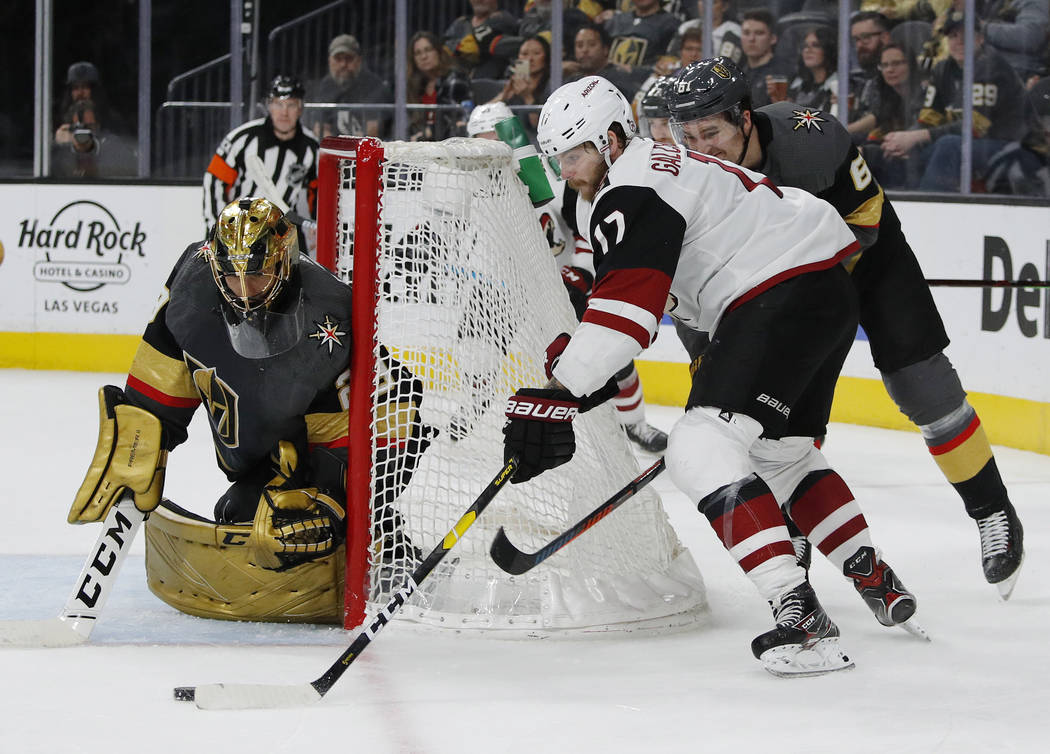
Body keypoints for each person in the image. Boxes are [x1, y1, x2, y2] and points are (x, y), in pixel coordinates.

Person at [505, 75, 921, 676]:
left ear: (611, 138)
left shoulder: (631, 187)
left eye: (575, 154)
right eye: (559, 159)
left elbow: (625, 317)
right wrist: (573, 373)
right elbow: (622, 309)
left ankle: (802, 621)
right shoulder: (656, 169)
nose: (567, 171)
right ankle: (873, 576)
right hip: (823, 287)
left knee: (699, 447)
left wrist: (557, 392)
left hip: (776, 290)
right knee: (783, 456)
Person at [665, 56, 1024, 598]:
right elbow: (688, 284)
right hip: (769, 293)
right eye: (687, 135)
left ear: (744, 119)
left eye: (710, 132)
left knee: (919, 382)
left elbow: (866, 221)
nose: (700, 148)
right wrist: (706, 355)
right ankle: (793, 522)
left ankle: (992, 508)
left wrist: (801, 292)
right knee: (763, 419)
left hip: (862, 263)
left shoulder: (811, 141)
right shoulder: (687, 178)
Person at [67, 197, 432, 623]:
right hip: (271, 451)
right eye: (231, 276)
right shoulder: (193, 281)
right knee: (240, 515)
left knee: (296, 532)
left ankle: (381, 538)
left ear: (284, 260)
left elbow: (388, 415)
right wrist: (141, 432)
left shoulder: (329, 313)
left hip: (356, 443)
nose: (243, 292)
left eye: (256, 276)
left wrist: (334, 497)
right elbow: (162, 371)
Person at [466, 101, 670, 452]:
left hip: (560, 282)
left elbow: (588, 227)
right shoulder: (467, 186)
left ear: (510, 137)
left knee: (611, 355)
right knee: (477, 347)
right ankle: (468, 412)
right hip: (506, 283)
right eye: (479, 139)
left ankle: (634, 424)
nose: (489, 149)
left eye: (494, 138)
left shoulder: (549, 175)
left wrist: (580, 272)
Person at [908, 12, 1039, 192]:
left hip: (1020, 152)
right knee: (909, 152)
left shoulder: (991, 66)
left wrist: (919, 136)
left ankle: (929, 212)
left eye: (966, 35)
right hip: (980, 149)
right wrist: (904, 139)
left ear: (980, 38)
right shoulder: (943, 69)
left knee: (948, 145)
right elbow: (929, 119)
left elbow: (976, 128)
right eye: (953, 36)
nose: (959, 41)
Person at [202, 75, 319, 242]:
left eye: (291, 105)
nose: (284, 112)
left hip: (283, 234)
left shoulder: (311, 147)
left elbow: (319, 192)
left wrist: (318, 223)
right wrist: (218, 228)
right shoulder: (242, 139)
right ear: (269, 106)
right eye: (278, 104)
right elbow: (214, 182)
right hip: (239, 231)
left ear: (300, 108)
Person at [856, 44, 927, 188]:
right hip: (894, 155)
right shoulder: (890, 99)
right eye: (884, 65)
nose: (890, 69)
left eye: (896, 63)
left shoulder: (925, 94)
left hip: (917, 159)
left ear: (911, 65)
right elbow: (878, 127)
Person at [306, 34, 392, 139]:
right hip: (335, 148)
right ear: (330, 61)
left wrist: (350, 149)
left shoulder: (374, 85)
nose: (343, 64)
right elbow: (320, 127)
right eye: (338, 59)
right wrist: (334, 147)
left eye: (349, 58)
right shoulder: (325, 86)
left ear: (359, 60)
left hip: (366, 149)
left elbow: (373, 128)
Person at [407, 30, 472, 142]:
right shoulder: (415, 85)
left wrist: (427, 133)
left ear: (438, 52)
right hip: (422, 144)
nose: (423, 57)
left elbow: (455, 119)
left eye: (428, 50)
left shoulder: (454, 78)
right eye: (418, 53)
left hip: (450, 143)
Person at [51, 98, 136, 179]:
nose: (84, 133)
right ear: (70, 128)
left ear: (98, 126)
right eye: (78, 128)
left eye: (89, 127)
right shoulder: (61, 153)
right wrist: (56, 144)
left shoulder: (116, 150)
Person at [491, 35, 553, 137]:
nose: (530, 59)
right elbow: (484, 114)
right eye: (524, 54)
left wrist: (527, 97)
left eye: (536, 53)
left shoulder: (551, 84)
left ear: (546, 57)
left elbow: (540, 127)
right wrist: (504, 95)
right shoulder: (514, 86)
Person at [565, 23, 647, 100]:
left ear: (605, 49)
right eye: (579, 45)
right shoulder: (571, 82)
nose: (585, 50)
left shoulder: (620, 78)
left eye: (592, 44)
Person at [443, 0, 521, 79]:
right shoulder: (460, 24)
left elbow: (471, 49)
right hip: (459, 83)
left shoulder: (504, 20)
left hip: (494, 84)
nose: (479, 0)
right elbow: (442, 52)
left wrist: (456, 49)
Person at [847, 11, 894, 137]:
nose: (859, 45)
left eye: (866, 37)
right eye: (856, 40)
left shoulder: (894, 70)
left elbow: (881, 116)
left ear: (885, 37)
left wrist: (840, 132)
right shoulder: (858, 77)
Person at [604, 0, 680, 74]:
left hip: (645, 80)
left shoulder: (671, 24)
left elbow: (670, 61)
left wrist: (637, 70)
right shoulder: (616, 20)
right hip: (608, 76)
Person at [739, 9, 794, 108]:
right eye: (746, 33)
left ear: (773, 38)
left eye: (759, 33)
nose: (751, 39)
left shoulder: (783, 73)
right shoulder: (739, 73)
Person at [786, 26, 840, 118]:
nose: (808, 50)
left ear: (828, 50)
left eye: (816, 45)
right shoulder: (797, 84)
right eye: (805, 46)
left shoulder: (838, 85)